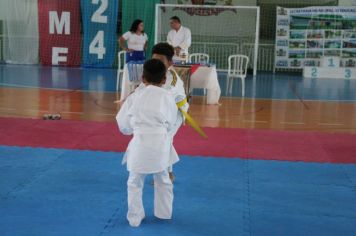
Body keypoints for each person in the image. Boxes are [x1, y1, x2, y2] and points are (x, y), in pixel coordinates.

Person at [116, 59, 180, 227]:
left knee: (134, 181)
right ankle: (164, 213)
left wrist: (134, 129)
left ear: (143, 78)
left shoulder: (135, 96)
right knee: (163, 177)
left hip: (140, 143)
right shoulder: (167, 96)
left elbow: (123, 124)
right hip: (160, 144)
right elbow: (171, 122)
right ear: (164, 80)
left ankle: (135, 218)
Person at [134, 43, 189, 182]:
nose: (156, 63)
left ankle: (167, 173)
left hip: (176, 110)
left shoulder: (172, 81)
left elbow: (162, 98)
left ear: (170, 62)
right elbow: (143, 86)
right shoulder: (153, 71)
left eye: (161, 60)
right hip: (160, 108)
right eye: (154, 59)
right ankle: (161, 170)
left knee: (166, 136)